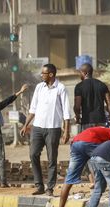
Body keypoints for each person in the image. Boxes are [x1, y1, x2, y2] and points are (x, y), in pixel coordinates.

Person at [20, 63, 71, 196]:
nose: (41, 75)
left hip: (53, 129)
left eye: (43, 73)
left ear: (51, 74)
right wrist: (26, 125)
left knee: (52, 159)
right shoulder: (39, 87)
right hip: (37, 127)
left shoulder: (61, 88)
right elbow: (33, 109)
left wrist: (66, 131)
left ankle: (50, 188)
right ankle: (39, 185)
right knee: (33, 154)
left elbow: (66, 112)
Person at [56, 126, 110, 207]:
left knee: (69, 179)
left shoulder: (104, 131)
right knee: (109, 181)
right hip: (91, 142)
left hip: (76, 143)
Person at [74, 63, 110, 131]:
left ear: (85, 73)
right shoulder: (102, 85)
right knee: (101, 141)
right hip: (101, 121)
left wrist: (78, 118)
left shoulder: (79, 87)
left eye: (80, 72)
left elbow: (77, 106)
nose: (79, 74)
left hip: (87, 121)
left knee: (88, 141)